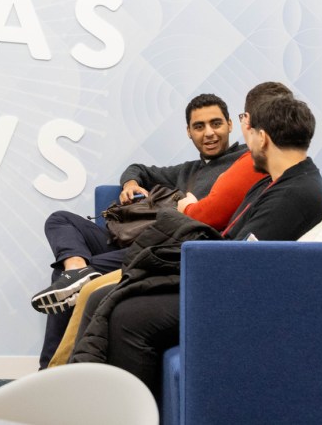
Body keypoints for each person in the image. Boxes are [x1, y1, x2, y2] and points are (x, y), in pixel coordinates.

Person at [70, 95, 322, 400]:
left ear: (262, 138)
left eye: (249, 132)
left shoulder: (292, 193)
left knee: (128, 316)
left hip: (246, 301)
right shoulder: (286, 180)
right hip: (235, 285)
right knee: (107, 296)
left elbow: (234, 261)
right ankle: (94, 404)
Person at [44, 81, 294, 368]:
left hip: (164, 247)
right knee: (60, 221)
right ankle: (76, 269)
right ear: (189, 132)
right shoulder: (186, 170)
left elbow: (216, 217)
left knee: (66, 282)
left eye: (215, 124)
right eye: (199, 126)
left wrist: (189, 208)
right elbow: (138, 168)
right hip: (136, 235)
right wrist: (130, 184)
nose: (209, 133)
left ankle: (49, 369)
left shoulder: (246, 163)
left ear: (230, 125)